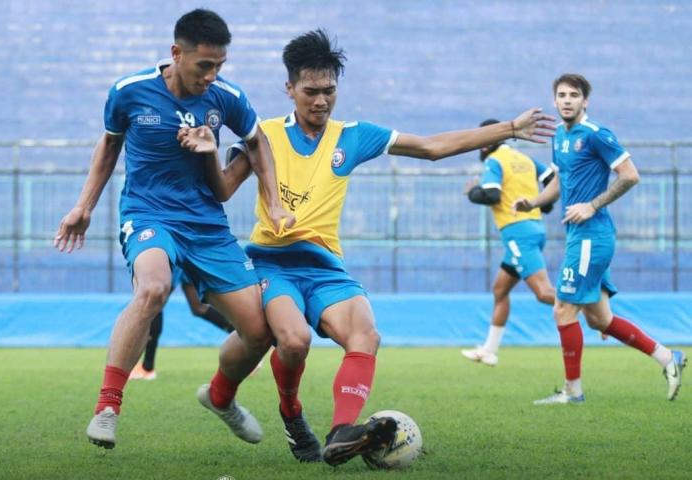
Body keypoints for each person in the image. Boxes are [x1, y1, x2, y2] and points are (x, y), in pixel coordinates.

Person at [187, 29, 555, 465]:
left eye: (329, 91)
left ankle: (342, 431)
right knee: (294, 339)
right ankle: (292, 414)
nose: (321, 101)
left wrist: (511, 127)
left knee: (366, 334)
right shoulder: (261, 135)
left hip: (325, 268)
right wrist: (204, 156)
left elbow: (432, 147)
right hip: (273, 264)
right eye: (311, 91)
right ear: (289, 89)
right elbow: (221, 189)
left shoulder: (354, 136)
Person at [53, 8, 293, 450]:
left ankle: (221, 397)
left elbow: (260, 144)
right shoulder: (129, 91)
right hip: (148, 215)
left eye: (220, 65)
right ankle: (108, 407)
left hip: (206, 226)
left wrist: (276, 204)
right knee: (153, 289)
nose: (211, 75)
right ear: (176, 53)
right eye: (204, 65)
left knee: (260, 332)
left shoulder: (228, 98)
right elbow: (109, 145)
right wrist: (83, 206)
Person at [514, 73, 686, 405]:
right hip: (580, 236)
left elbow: (630, 175)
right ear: (554, 100)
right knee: (599, 319)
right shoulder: (561, 138)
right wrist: (534, 202)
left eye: (574, 95)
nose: (567, 100)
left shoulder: (596, 135)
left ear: (585, 101)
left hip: (592, 237)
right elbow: (563, 181)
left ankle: (573, 392)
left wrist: (593, 205)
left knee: (563, 310)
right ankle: (667, 357)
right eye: (561, 95)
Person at [460, 119, 556, 366]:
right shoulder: (524, 158)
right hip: (533, 228)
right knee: (500, 290)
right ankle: (489, 351)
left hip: (517, 233)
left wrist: (472, 191)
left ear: (485, 143)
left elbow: (491, 195)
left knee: (544, 293)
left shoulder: (495, 161)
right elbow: (552, 179)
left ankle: (595, 311)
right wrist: (544, 204)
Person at [129, 274, 234, 381]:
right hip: (190, 259)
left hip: (175, 260)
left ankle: (147, 368)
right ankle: (246, 341)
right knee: (199, 307)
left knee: (154, 301)